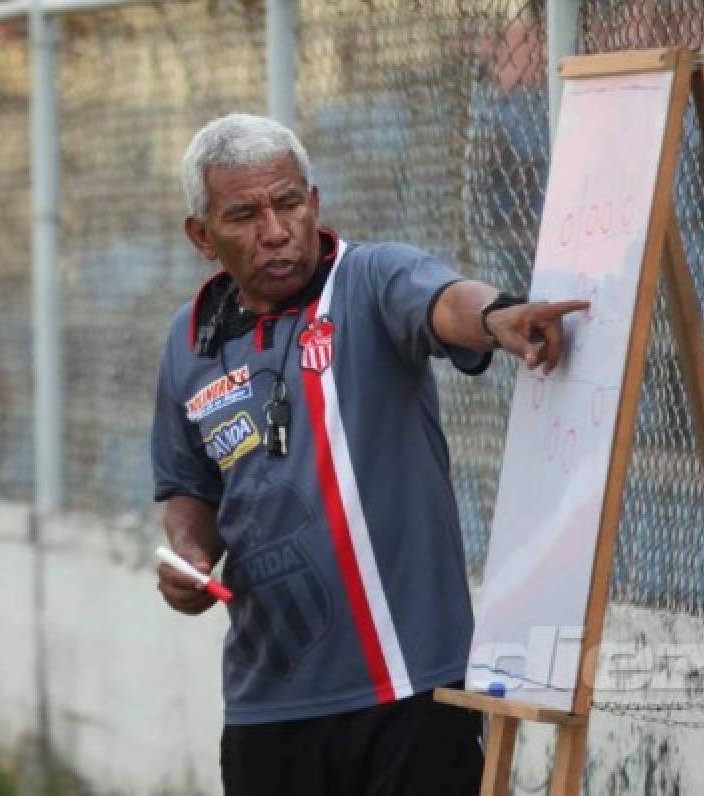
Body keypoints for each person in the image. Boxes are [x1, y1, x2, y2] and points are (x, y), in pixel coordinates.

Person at [151, 113, 586, 795]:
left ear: (313, 202)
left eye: (289, 203)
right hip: (267, 701)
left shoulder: (368, 280)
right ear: (201, 236)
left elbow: (444, 302)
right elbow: (187, 483)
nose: (274, 230)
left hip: (409, 686)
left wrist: (501, 316)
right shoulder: (190, 338)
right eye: (244, 215)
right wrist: (189, 556)